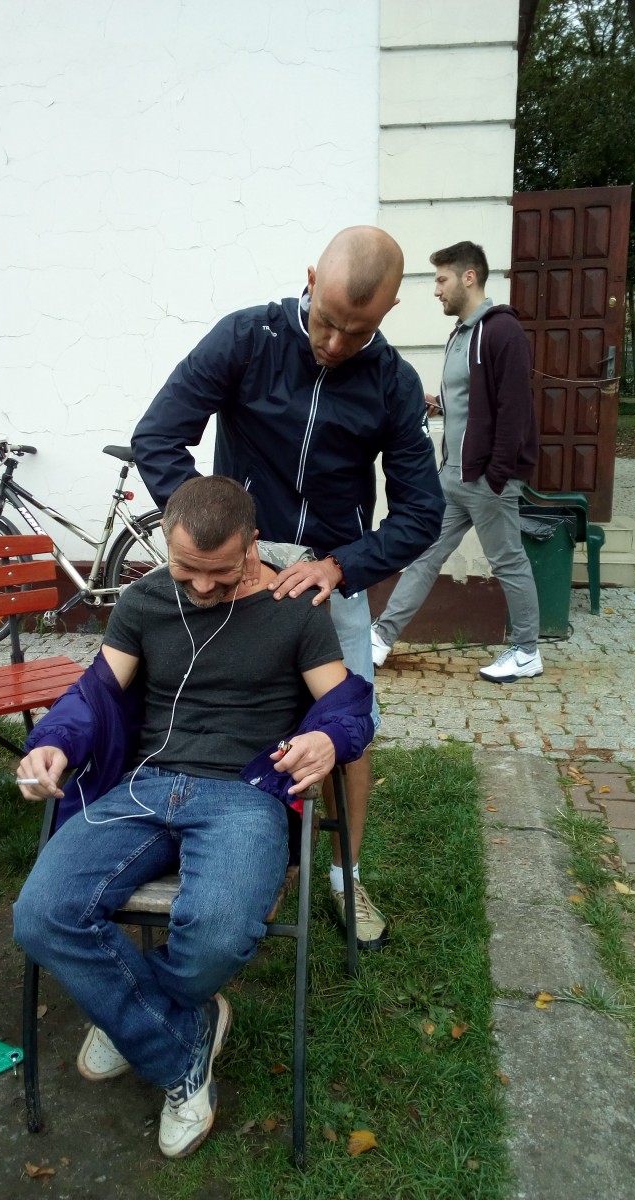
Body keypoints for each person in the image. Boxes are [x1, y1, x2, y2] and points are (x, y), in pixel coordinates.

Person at [13, 475, 374, 1161]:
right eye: (187, 571)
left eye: (220, 571)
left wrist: (329, 738)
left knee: (216, 934)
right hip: (145, 786)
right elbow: (93, 693)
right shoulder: (144, 602)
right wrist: (53, 742)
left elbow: (346, 704)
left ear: (252, 545)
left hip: (245, 794)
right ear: (163, 543)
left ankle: (130, 1016)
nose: (202, 587)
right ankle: (180, 1044)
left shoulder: (294, 609)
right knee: (41, 914)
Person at [131, 225, 444, 950]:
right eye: (326, 321)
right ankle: (225, 856)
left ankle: (343, 876)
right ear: (309, 279)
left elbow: (421, 511)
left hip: (329, 572)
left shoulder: (393, 383)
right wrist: (224, 547)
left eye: (356, 331)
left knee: (349, 726)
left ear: (390, 311)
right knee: (209, 713)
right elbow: (158, 437)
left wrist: (341, 567)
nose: (333, 343)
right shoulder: (247, 339)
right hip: (239, 566)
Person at [369, 241, 542, 683]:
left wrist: (497, 476)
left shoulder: (502, 331)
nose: (436, 290)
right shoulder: (461, 334)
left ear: (469, 277)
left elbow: (514, 409)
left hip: (486, 480)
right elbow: (471, 399)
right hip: (453, 477)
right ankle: (380, 638)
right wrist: (438, 404)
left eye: (442, 279)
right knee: (425, 555)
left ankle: (527, 652)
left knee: (508, 562)